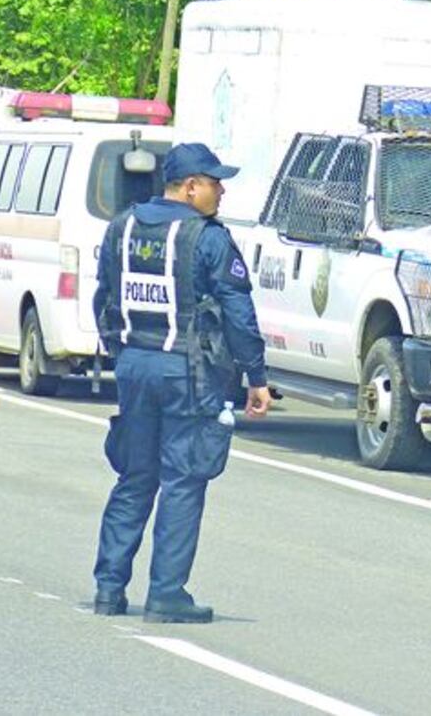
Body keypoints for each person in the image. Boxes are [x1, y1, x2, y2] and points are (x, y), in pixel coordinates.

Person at [91, 143, 272, 623]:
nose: (222, 190)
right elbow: (238, 310)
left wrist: (122, 354)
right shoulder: (208, 237)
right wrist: (256, 376)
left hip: (133, 367)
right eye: (215, 182)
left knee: (134, 477)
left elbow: (102, 298)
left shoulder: (121, 227)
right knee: (183, 480)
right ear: (191, 187)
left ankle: (109, 589)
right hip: (186, 373)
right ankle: (166, 593)